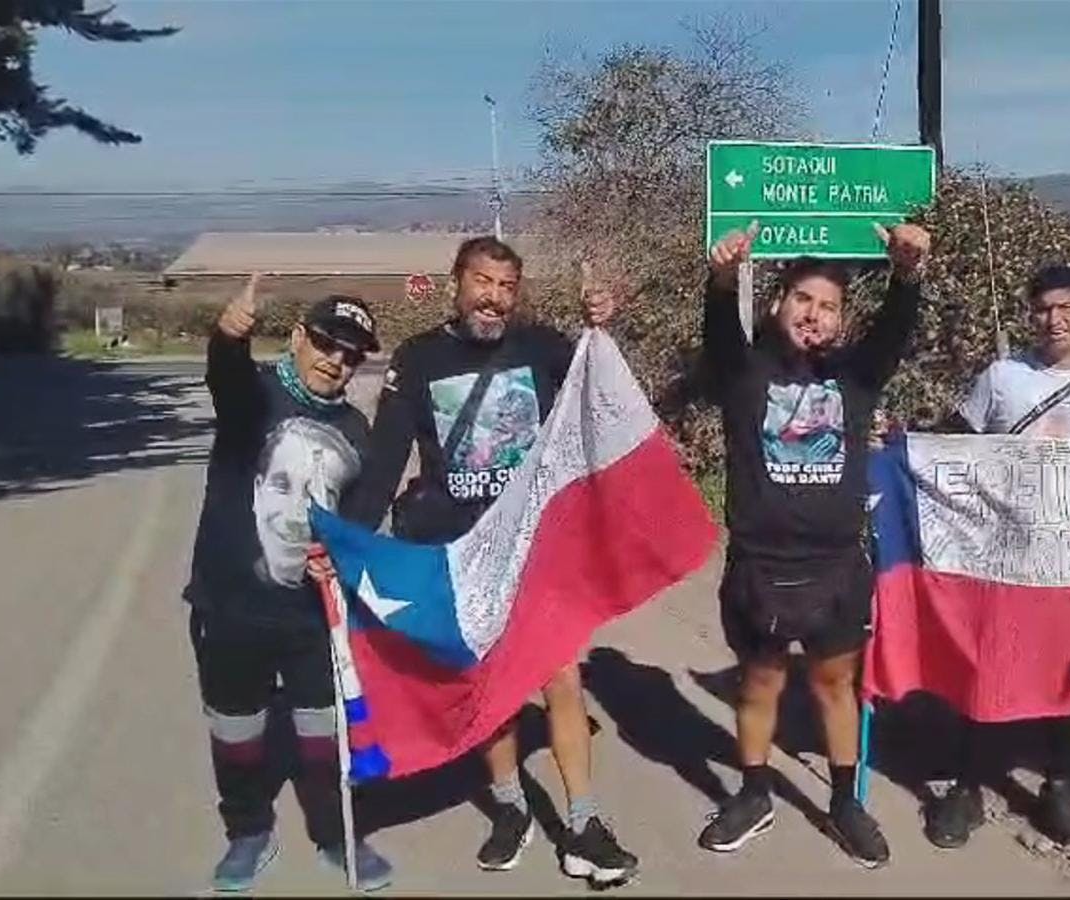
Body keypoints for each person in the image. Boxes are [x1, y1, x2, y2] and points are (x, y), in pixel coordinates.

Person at [340, 236, 634, 885]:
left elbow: (599, 396)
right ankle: (510, 807)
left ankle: (582, 823)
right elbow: (386, 460)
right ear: (457, 283)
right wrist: (348, 543)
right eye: (482, 282)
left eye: (506, 286)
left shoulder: (543, 348)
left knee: (561, 678)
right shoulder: (419, 360)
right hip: (462, 554)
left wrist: (600, 327)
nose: (493, 298)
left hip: (536, 547)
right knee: (491, 688)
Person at [696, 221, 931, 869]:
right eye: (803, 298)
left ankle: (844, 802)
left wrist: (907, 276)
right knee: (760, 683)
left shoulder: (856, 378)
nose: (814, 314)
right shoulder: (745, 372)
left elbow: (894, 331)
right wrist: (722, 280)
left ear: (840, 320)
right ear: (778, 303)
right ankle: (753, 795)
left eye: (828, 306)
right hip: (760, 567)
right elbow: (720, 333)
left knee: (835, 685)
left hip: (836, 568)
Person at [921, 263, 1070, 851]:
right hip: (1004, 558)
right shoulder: (1002, 378)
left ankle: (1059, 785)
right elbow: (954, 447)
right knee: (989, 667)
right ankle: (968, 784)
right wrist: (900, 453)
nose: (1054, 319)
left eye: (1066, 306)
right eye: (1043, 308)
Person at [182, 278, 393, 892]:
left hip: (311, 619)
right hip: (230, 608)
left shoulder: (355, 429)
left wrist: (341, 554)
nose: (336, 361)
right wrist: (228, 338)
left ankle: (334, 833)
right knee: (236, 729)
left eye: (351, 354)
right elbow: (226, 378)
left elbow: (358, 517)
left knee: (324, 736)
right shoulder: (255, 400)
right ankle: (247, 831)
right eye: (326, 343)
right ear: (299, 338)